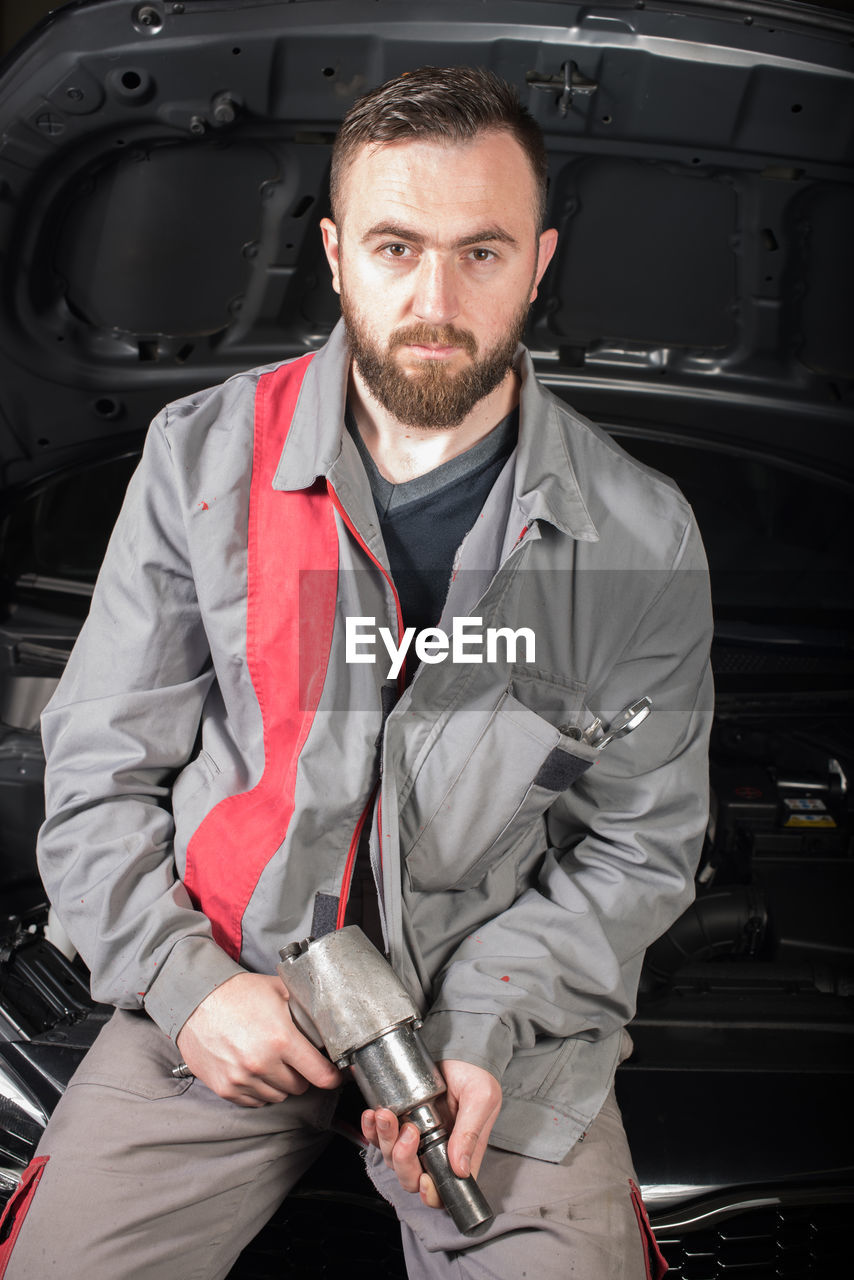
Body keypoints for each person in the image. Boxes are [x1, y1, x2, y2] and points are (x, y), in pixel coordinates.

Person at [0, 66, 712, 1279]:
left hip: (501, 1028)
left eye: (480, 253)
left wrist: (487, 1024)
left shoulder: (638, 538)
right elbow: (98, 768)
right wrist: (187, 984)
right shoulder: (202, 462)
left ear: (538, 262)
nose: (434, 299)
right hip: (224, 985)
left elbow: (639, 845)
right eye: (395, 246)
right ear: (334, 254)